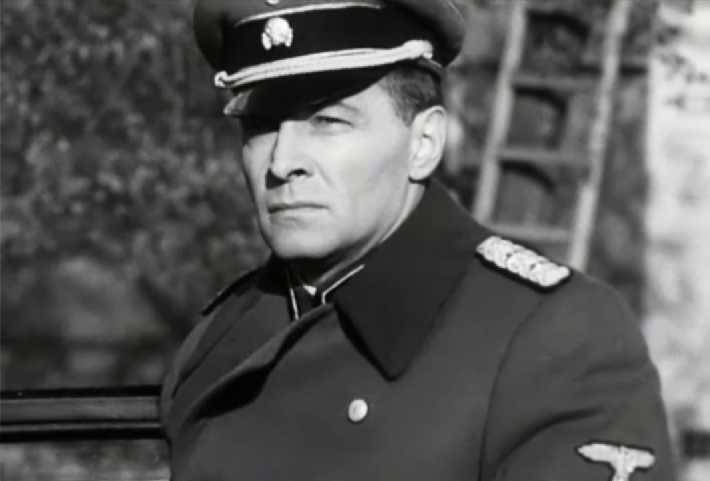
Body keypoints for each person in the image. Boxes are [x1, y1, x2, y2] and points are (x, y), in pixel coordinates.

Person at [160, 1, 675, 480]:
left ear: (424, 144)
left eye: (328, 121)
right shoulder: (222, 336)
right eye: (260, 125)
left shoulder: (555, 340)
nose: (282, 161)